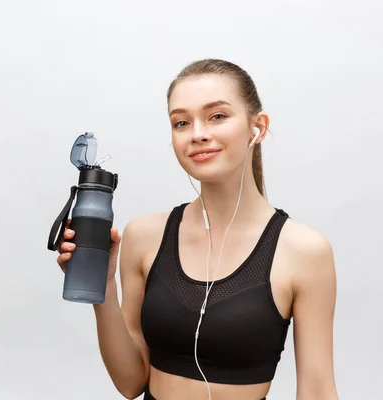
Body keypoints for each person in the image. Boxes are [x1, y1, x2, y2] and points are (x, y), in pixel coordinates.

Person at [55, 58, 339, 400]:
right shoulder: (145, 236)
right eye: (181, 122)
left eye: (217, 116)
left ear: (257, 128)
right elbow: (130, 383)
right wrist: (102, 288)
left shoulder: (303, 251)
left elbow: (317, 389)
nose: (198, 134)